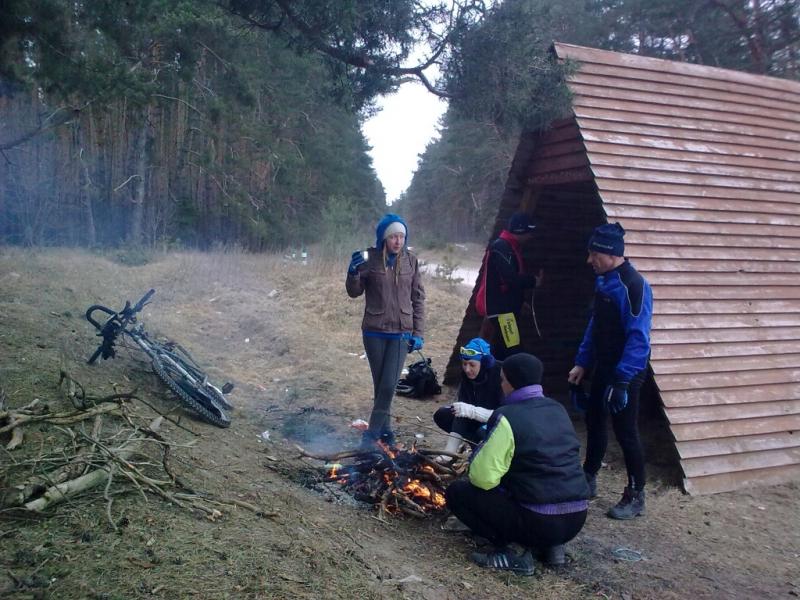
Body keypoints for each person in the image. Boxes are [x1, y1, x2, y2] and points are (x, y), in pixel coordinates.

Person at [445, 353, 590, 575]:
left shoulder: (507, 416)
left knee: (458, 492)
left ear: (511, 383)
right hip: (577, 516)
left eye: (502, 379)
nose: (501, 384)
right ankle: (552, 547)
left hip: (539, 520)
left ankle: (513, 550)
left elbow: (482, 477)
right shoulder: (557, 409)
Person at [567, 222, 652, 520]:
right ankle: (588, 478)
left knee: (626, 430)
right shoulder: (605, 280)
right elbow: (596, 325)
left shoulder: (634, 286)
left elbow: (639, 338)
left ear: (610, 253)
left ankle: (635, 494)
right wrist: (582, 362)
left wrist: (623, 380)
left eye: (593, 254)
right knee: (594, 418)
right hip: (604, 364)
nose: (589, 260)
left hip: (626, 371)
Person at [346, 214, 425, 447]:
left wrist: (418, 333)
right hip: (374, 331)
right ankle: (387, 431)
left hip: (401, 332)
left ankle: (370, 437)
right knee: (381, 385)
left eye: (401, 236)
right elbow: (354, 292)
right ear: (384, 238)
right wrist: (352, 273)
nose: (398, 241)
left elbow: (418, 298)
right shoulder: (370, 259)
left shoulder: (411, 261)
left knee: (389, 385)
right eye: (393, 236)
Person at [474, 212, 542, 360]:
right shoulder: (501, 247)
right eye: (529, 232)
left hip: (505, 310)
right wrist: (533, 281)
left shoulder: (509, 247)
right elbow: (510, 279)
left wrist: (519, 302)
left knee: (502, 350)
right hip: (502, 313)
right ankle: (502, 380)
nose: (531, 236)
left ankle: (497, 380)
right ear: (521, 230)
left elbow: (506, 283)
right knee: (513, 351)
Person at [433, 337, 503, 457]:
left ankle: (484, 451)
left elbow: (504, 417)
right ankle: (450, 453)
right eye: (464, 364)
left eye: (472, 365)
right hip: (477, 419)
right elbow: (463, 411)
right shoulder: (466, 376)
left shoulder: (501, 376)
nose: (467, 369)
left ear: (485, 362)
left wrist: (472, 411)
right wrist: (465, 410)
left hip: (498, 425)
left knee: (480, 429)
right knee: (443, 414)